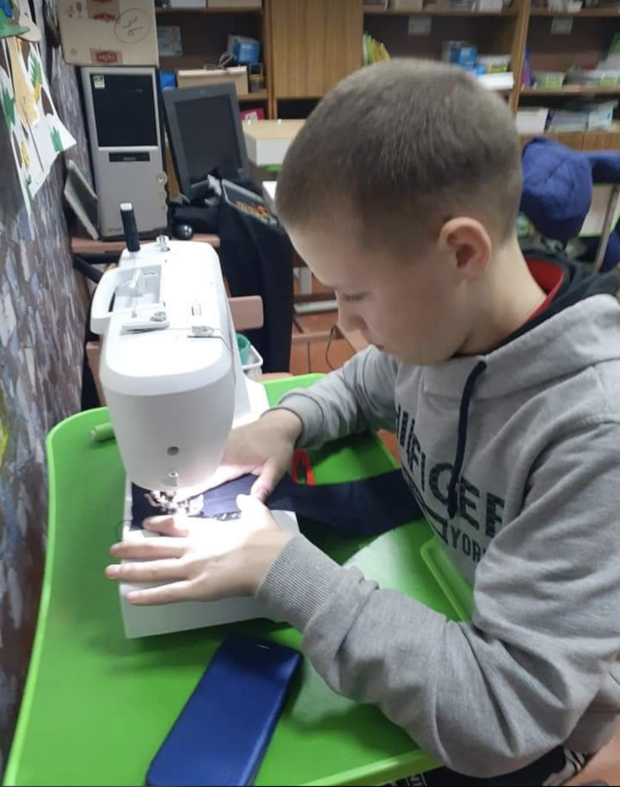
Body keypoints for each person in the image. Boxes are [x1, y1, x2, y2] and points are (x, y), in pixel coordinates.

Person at [105, 59, 620, 786]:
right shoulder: (440, 335)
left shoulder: (593, 431)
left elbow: (503, 712)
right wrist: (286, 423)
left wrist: (285, 572)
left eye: (355, 295)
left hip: (543, 732)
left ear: (461, 252)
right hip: (452, 608)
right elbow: (365, 381)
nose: (345, 326)